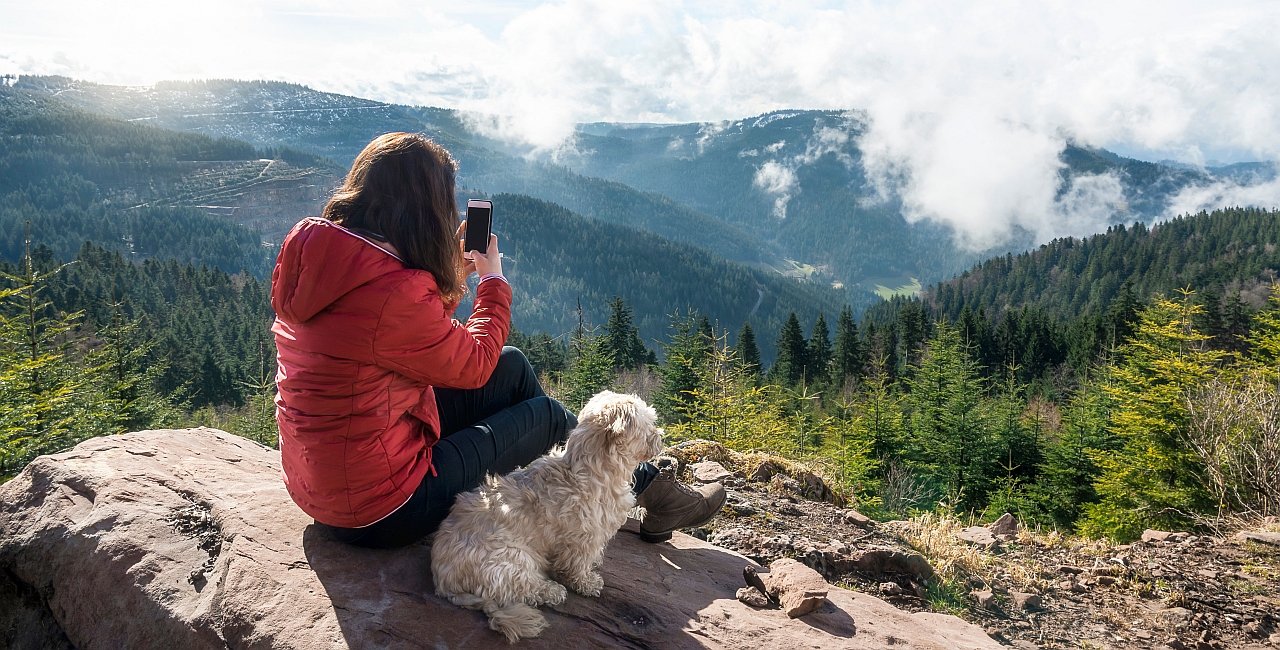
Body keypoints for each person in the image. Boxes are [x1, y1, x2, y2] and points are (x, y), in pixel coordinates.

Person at [270, 132, 725, 549]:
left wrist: (446, 282)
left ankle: (584, 495)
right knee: (543, 415)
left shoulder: (331, 258)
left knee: (512, 368)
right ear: (420, 206)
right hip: (383, 507)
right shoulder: (394, 291)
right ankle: (646, 489)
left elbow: (401, 342)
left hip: (328, 481)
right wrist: (491, 282)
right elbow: (472, 364)